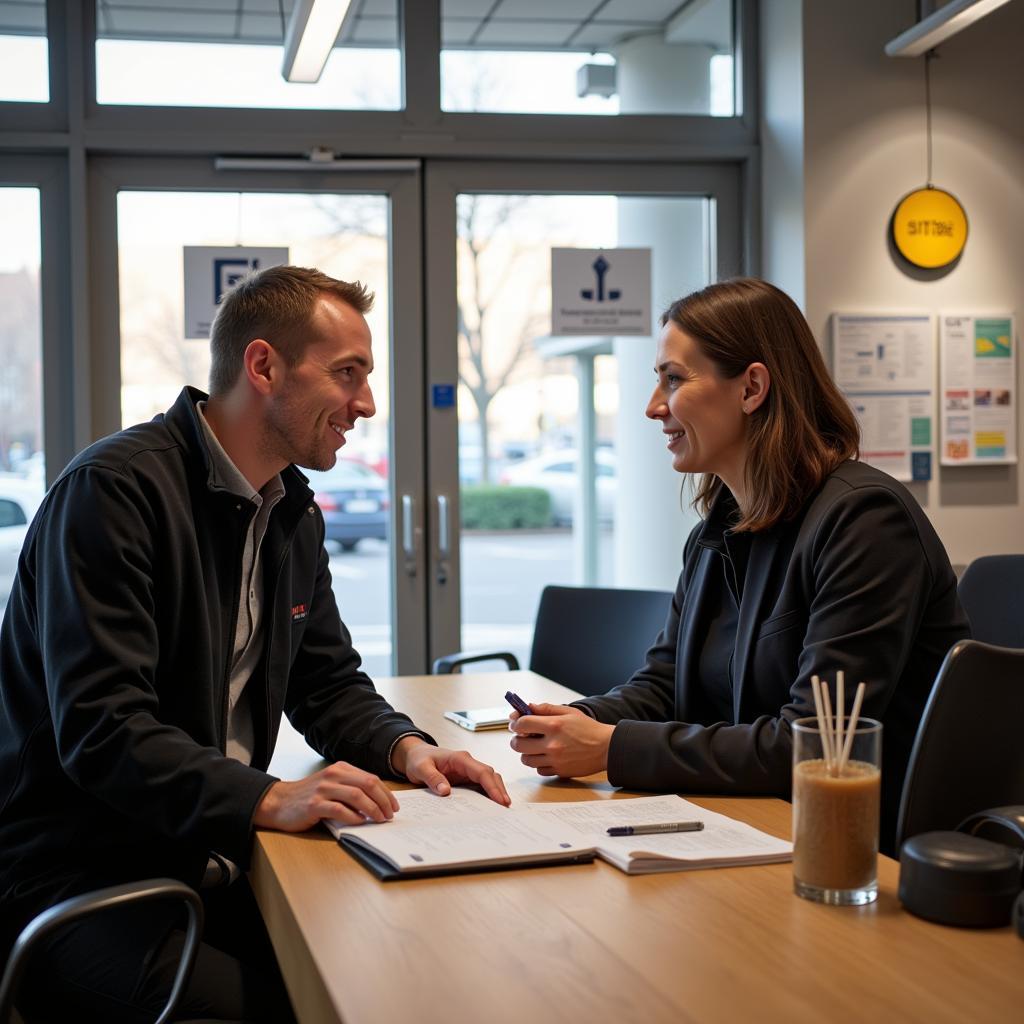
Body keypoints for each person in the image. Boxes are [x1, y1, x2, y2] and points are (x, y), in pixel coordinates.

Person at [0, 265, 509, 1022]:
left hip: (207, 856)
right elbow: (104, 731)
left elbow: (327, 683)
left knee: (394, 971)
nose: (366, 405)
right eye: (347, 374)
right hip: (82, 886)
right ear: (263, 365)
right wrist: (270, 795)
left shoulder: (292, 511)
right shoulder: (113, 492)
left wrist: (410, 750)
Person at [509, 277, 968, 855]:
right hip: (755, 826)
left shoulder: (866, 521)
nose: (654, 407)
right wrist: (572, 720)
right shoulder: (719, 527)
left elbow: (815, 744)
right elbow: (664, 684)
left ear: (751, 388)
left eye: (673, 379)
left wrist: (610, 746)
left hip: (858, 854)